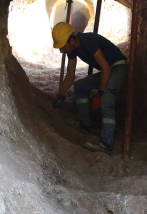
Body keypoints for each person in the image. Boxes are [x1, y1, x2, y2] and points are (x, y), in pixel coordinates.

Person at [51, 22, 128, 155]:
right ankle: (85, 125)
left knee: (106, 101)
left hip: (118, 67)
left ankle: (106, 144)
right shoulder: (72, 49)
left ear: (72, 40)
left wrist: (100, 95)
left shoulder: (88, 41)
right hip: (109, 70)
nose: (61, 50)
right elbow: (70, 75)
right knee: (80, 86)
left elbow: (106, 68)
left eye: (63, 46)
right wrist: (60, 94)